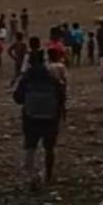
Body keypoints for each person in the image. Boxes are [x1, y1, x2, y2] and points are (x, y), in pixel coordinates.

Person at [14, 49, 66, 190]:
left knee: (30, 147)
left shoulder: (27, 78)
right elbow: (61, 96)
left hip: (31, 117)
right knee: (49, 148)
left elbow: (17, 98)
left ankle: (31, 176)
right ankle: (48, 176)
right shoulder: (51, 77)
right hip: (50, 117)